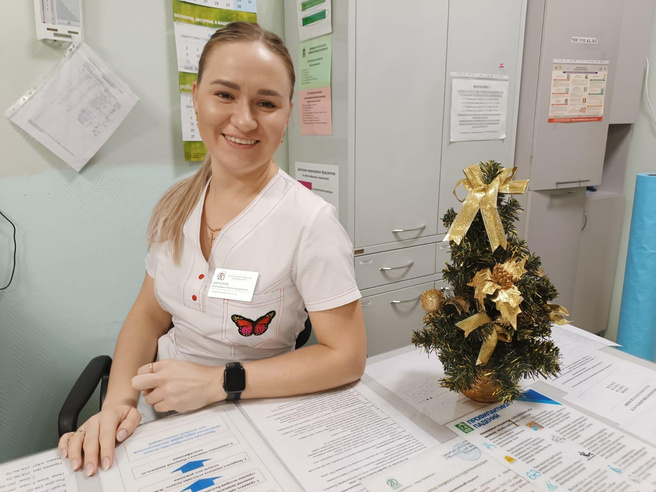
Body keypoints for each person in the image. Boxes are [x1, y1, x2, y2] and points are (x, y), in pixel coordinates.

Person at [58, 21, 366, 477]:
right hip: (159, 415)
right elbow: (148, 313)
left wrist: (219, 382)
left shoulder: (310, 223)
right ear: (196, 99)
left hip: (254, 416)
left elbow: (347, 356)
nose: (245, 120)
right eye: (225, 94)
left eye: (266, 103)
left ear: (287, 114)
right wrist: (119, 402)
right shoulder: (176, 204)